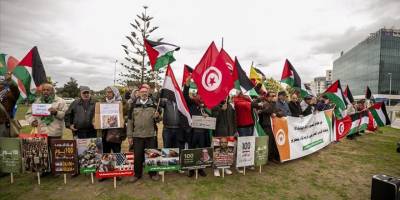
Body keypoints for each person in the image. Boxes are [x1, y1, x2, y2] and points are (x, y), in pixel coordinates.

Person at [25, 83, 68, 175]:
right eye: (44, 90)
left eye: (48, 90)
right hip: (41, 131)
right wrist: (32, 121)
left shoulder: (60, 101)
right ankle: (44, 169)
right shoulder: (37, 101)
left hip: (55, 131)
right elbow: (28, 114)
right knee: (43, 152)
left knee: (56, 151)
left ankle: (57, 170)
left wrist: (56, 112)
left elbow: (66, 115)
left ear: (52, 91)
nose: (45, 92)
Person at [127, 86, 161, 183]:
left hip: (150, 135)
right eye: (142, 92)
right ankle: (137, 174)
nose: (144, 94)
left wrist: (157, 117)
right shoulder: (133, 105)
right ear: (139, 93)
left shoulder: (154, 105)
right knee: (138, 156)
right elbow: (129, 122)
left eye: (146, 92)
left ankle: (153, 173)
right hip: (137, 135)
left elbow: (158, 120)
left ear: (148, 93)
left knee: (152, 155)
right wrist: (130, 136)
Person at [183, 76, 208, 177]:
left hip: (202, 132)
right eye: (198, 94)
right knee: (192, 150)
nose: (199, 96)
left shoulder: (205, 105)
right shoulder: (191, 103)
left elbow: (210, 116)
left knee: (202, 150)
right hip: (193, 132)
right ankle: (191, 170)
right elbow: (185, 95)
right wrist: (187, 85)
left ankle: (201, 169)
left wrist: (206, 115)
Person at [255, 92, 284, 162]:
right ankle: (266, 157)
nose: (274, 97)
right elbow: (268, 110)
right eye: (272, 96)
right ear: (267, 97)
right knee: (268, 142)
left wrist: (276, 114)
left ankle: (271, 157)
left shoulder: (273, 104)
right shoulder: (264, 103)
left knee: (273, 142)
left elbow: (281, 113)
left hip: (273, 126)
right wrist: (270, 109)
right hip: (266, 126)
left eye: (274, 95)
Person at [211, 99, 236, 176]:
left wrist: (234, 130)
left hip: (229, 132)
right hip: (219, 132)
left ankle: (226, 167)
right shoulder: (215, 105)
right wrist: (221, 110)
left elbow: (233, 119)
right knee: (217, 150)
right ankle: (216, 169)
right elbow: (214, 119)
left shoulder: (230, 106)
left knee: (228, 150)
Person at [100, 86, 126, 153]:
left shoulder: (122, 103)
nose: (107, 94)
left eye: (109, 92)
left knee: (117, 153)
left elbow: (126, 116)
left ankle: (118, 163)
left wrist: (123, 119)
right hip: (104, 133)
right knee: (106, 153)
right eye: (107, 92)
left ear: (114, 93)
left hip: (116, 134)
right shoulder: (102, 103)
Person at [0, 73, 19, 137]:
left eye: (1, 83)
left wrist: (10, 81)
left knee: (5, 146)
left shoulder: (9, 94)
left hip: (3, 125)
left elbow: (15, 89)